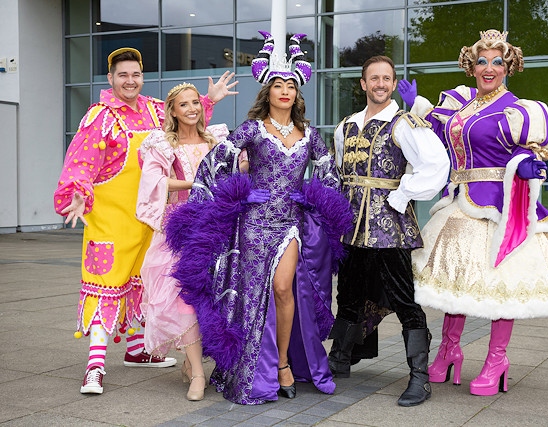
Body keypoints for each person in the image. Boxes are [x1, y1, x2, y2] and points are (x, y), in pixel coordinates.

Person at [398, 29, 548, 396]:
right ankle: (449, 350)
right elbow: (438, 139)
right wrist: (418, 107)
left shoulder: (521, 110)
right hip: (459, 204)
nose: (489, 68)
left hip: (500, 207)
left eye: (497, 62)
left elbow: (532, 153)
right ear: (471, 67)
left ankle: (496, 360)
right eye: (482, 61)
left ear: (507, 68)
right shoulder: (460, 104)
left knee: (501, 285)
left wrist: (523, 163)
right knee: (455, 284)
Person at [164, 31, 352, 405]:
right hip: (253, 224)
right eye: (278, 85)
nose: (285, 91)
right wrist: (243, 189)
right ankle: (254, 368)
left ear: (298, 94)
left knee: (284, 288)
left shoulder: (310, 134)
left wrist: (313, 196)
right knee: (253, 296)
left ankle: (282, 363)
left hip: (289, 224)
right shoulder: (252, 129)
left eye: (291, 86)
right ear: (267, 92)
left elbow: (331, 174)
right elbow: (214, 163)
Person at [53, 47, 238, 395]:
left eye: (135, 74)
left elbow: (184, 125)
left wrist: (207, 101)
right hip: (111, 220)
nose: (130, 81)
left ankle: (138, 350)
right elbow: (80, 161)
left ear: (142, 76)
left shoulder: (154, 109)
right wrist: (76, 192)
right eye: (123, 75)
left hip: (153, 219)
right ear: (110, 79)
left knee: (147, 285)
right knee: (104, 285)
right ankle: (95, 366)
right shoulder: (100, 117)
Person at [330, 55, 450, 407]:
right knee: (349, 293)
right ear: (363, 84)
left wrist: (403, 194)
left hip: (389, 226)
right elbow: (340, 174)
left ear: (393, 84)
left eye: (387, 78)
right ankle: (340, 357)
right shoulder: (346, 125)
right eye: (374, 78)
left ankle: (419, 378)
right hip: (352, 226)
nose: (380, 84)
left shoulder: (404, 124)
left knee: (403, 298)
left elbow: (436, 164)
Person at [136, 83, 237, 401]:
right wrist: (196, 182)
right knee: (184, 301)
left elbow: (236, 171)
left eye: (196, 102)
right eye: (184, 104)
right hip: (179, 231)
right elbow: (154, 180)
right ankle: (196, 372)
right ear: (173, 111)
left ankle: (192, 360)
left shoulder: (216, 140)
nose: (192, 108)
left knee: (214, 300)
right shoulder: (162, 145)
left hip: (216, 228)